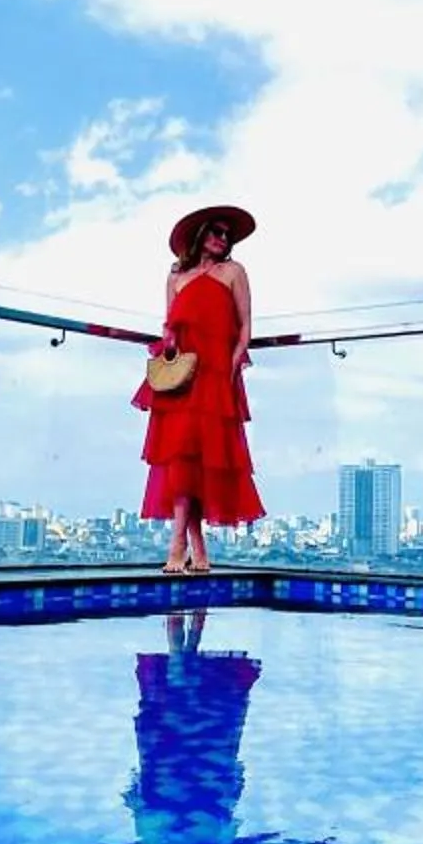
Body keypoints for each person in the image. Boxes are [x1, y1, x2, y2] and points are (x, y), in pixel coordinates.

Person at [127, 608, 260, 844]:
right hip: (183, 803)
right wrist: (139, 806)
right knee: (173, 714)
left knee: (182, 716)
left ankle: (182, 641)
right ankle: (180, 642)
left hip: (195, 802)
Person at [135, 203, 265, 572]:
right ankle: (195, 547)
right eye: (216, 232)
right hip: (182, 377)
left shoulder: (234, 272)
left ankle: (180, 547)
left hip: (216, 376)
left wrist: (233, 365)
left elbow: (245, 328)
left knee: (199, 459)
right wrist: (170, 343)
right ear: (200, 234)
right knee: (182, 460)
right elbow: (168, 325)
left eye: (227, 235)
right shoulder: (176, 275)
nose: (222, 239)